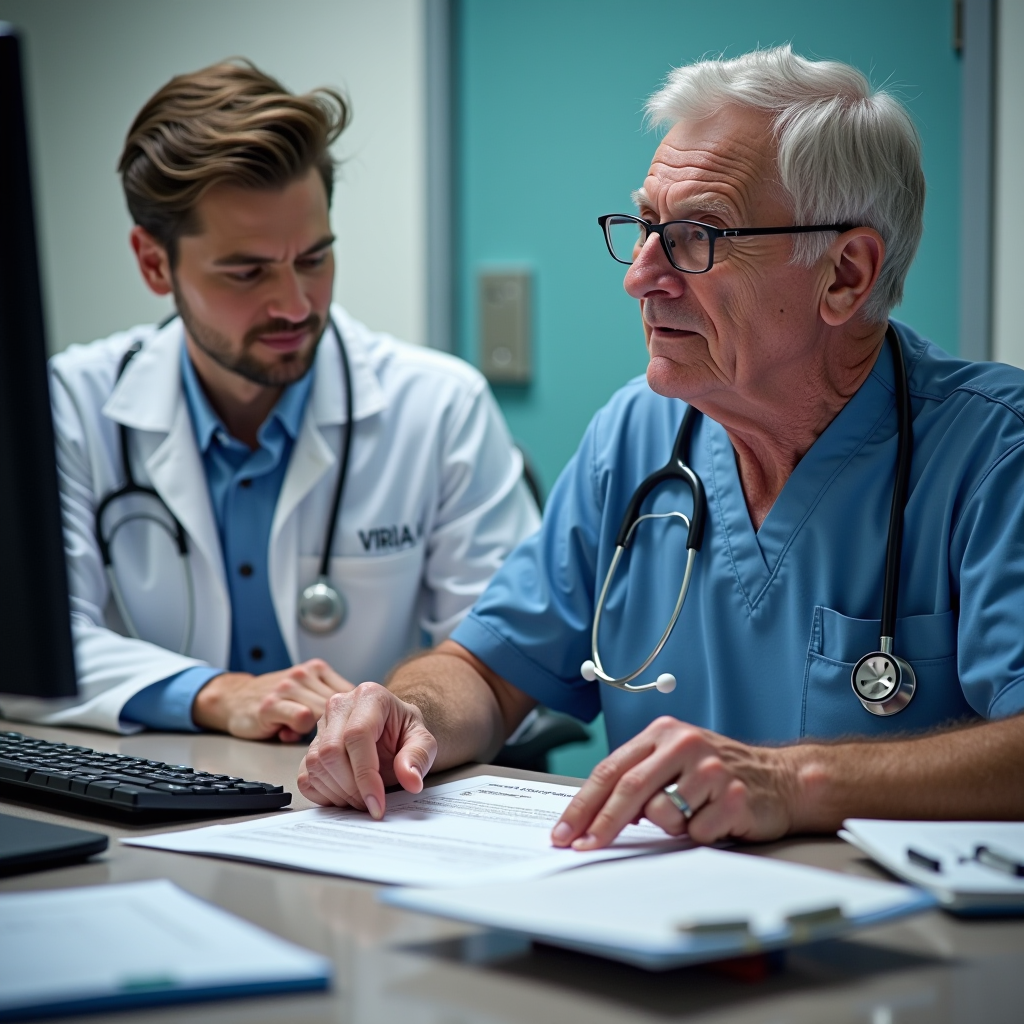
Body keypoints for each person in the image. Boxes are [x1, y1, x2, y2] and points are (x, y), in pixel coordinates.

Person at [298, 46, 1024, 840]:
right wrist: (409, 712)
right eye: (645, 226)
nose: (641, 275)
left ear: (846, 274)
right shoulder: (636, 435)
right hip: (647, 927)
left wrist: (793, 781)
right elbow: (486, 669)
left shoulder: (993, 453)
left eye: (698, 236)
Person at [0, 60, 539, 738]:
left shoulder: (439, 408)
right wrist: (216, 695)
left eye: (314, 259)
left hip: (376, 806)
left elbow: (504, 660)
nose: (294, 305)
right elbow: (30, 652)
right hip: (161, 798)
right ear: (153, 263)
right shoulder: (70, 409)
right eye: (247, 271)